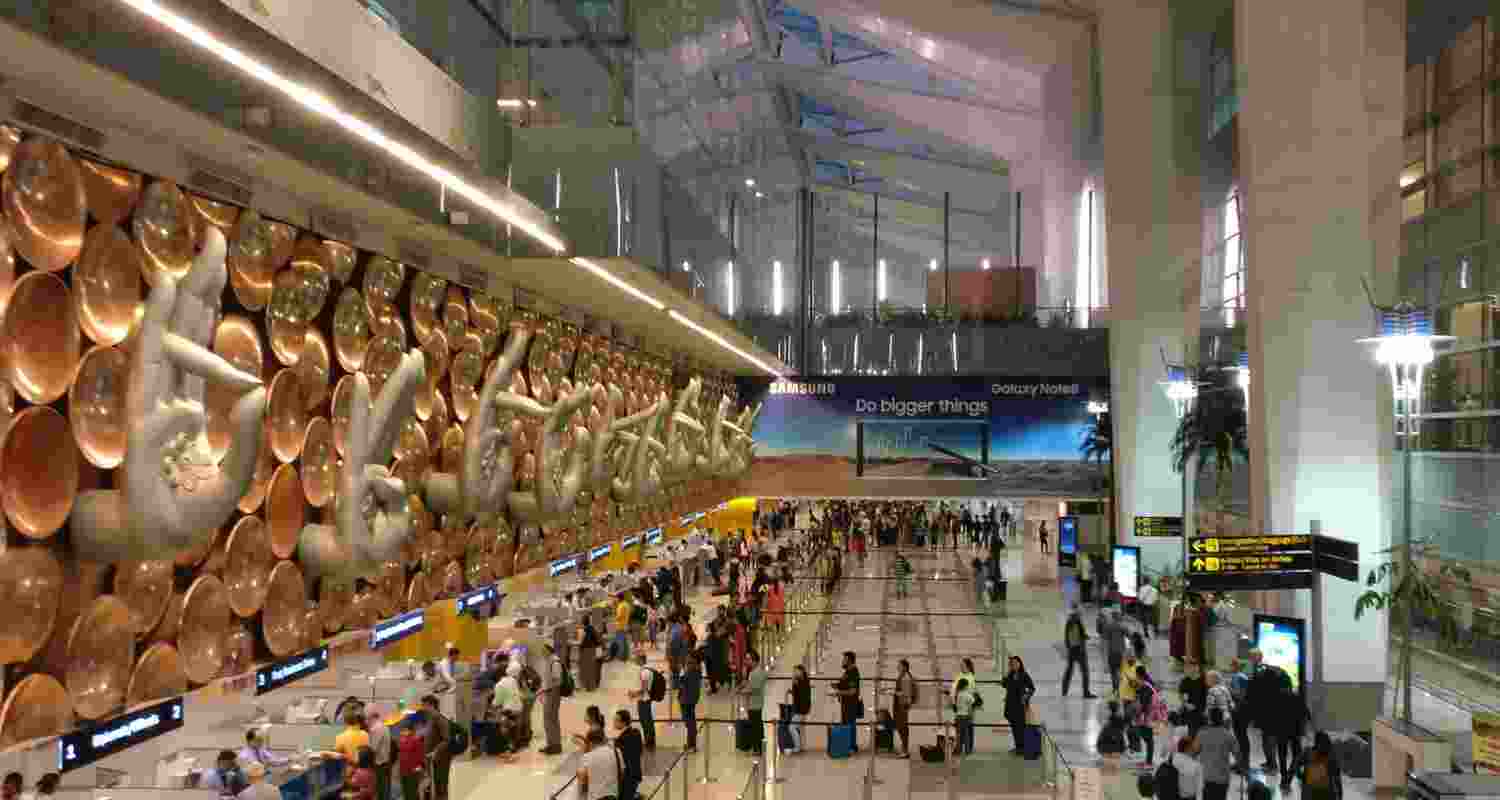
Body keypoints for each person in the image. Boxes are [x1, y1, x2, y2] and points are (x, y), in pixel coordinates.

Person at [1196, 709, 1236, 800]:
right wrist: (1243, 770)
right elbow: (1238, 754)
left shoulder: (1202, 734)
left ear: (1209, 719)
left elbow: (1193, 752)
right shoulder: (1228, 735)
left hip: (1206, 776)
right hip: (1223, 777)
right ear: (1222, 719)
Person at [1001, 656, 1036, 755]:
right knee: (1014, 727)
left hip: (1020, 705)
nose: (1014, 665)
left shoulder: (1024, 675)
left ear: (1020, 664)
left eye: (1016, 663)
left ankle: (1022, 748)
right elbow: (1003, 684)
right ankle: (1018, 747)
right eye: (1012, 664)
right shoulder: (1010, 674)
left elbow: (1032, 688)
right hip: (1010, 705)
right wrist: (1008, 672)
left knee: (1021, 727)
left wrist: (1026, 697)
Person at [1295, 731, 1343, 800]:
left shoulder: (1308, 753)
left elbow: (1296, 764)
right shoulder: (1330, 756)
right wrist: (1339, 794)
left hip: (1312, 792)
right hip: (1323, 793)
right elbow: (1337, 778)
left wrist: (1300, 775)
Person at [421, 695, 453, 800]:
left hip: (441, 759)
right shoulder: (430, 719)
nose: (422, 708)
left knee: (441, 787)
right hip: (432, 760)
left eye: (424, 705)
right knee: (434, 787)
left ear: (431, 705)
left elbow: (447, 739)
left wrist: (435, 751)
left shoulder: (440, 719)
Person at [575, 729, 620, 800]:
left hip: (596, 797)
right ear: (603, 739)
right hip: (613, 796)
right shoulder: (617, 751)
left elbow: (582, 779)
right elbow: (622, 772)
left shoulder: (587, 757)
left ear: (590, 742)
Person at [1062, 605, 1095, 698]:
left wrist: (1068, 648)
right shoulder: (1078, 622)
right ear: (1077, 614)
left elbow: (1067, 637)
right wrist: (1085, 638)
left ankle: (1064, 691)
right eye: (1080, 614)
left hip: (1072, 650)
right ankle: (1086, 692)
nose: (1081, 615)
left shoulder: (1069, 622)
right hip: (1080, 650)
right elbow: (1081, 636)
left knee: (1069, 670)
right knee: (1085, 672)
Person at [627, 653, 658, 750]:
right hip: (646, 699)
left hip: (644, 700)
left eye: (636, 658)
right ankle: (650, 741)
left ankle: (649, 742)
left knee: (646, 721)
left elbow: (644, 689)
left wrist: (633, 694)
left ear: (641, 660)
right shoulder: (648, 669)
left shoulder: (644, 672)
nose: (635, 660)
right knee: (648, 721)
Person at [741, 650, 768, 754]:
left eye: (748, 659)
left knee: (755, 727)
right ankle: (759, 746)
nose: (746, 661)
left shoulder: (755, 673)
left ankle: (757, 748)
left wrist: (742, 692)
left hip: (754, 704)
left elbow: (752, 689)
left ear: (755, 661)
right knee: (758, 725)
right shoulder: (757, 672)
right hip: (757, 703)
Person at [540, 643, 565, 755]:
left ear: (549, 650)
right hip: (549, 693)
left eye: (543, 650)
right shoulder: (548, 661)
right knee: (549, 720)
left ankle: (555, 745)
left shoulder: (554, 662)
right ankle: (551, 744)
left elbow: (557, 680)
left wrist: (550, 692)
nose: (542, 652)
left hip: (552, 694)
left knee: (550, 720)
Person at [613, 710, 644, 800]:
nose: (614, 723)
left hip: (627, 778)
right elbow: (640, 751)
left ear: (623, 722)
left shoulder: (621, 740)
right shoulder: (636, 732)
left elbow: (620, 761)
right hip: (636, 774)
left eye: (616, 720)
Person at [1132, 665, 1159, 765]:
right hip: (1145, 717)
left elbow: (1144, 704)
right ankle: (1148, 760)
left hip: (1148, 717)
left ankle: (1149, 762)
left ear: (1139, 676)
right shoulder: (1143, 685)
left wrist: (1139, 714)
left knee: (1148, 738)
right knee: (1146, 737)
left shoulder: (1146, 687)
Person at [364, 707, 393, 800]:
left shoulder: (376, 729)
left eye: (366, 718)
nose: (365, 721)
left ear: (370, 717)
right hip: (385, 762)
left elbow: (372, 749)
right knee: (384, 790)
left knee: (381, 792)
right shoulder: (384, 726)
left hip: (379, 764)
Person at [1099, 610, 1128, 694]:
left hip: (1111, 653)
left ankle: (1115, 688)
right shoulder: (1122, 626)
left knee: (1113, 672)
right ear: (1118, 617)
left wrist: (1103, 654)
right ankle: (1119, 688)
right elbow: (1131, 635)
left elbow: (1104, 641)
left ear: (1112, 617)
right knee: (1120, 671)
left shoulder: (1108, 626)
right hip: (1121, 653)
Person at [785, 664, 812, 754]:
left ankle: (797, 747)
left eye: (796, 671)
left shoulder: (800, 681)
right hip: (802, 707)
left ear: (801, 671)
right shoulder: (803, 680)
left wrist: (794, 683)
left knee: (791, 727)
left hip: (801, 708)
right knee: (798, 727)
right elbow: (799, 694)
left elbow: (801, 694)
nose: (794, 673)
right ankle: (801, 746)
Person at [892, 659, 917, 758]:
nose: (898, 667)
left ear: (905, 667)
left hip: (902, 706)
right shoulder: (904, 676)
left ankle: (905, 750)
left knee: (902, 727)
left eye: (899, 665)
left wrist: (893, 693)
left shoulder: (905, 678)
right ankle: (904, 748)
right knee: (901, 727)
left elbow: (905, 693)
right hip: (902, 705)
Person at [680, 654, 703, 752]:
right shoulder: (696, 671)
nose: (687, 663)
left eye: (689, 662)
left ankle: (691, 745)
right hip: (689, 699)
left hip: (687, 700)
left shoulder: (691, 672)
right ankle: (691, 743)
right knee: (690, 722)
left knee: (689, 723)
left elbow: (682, 682)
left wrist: (683, 674)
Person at [396, 722, 425, 800]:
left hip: (412, 771)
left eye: (404, 730)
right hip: (404, 771)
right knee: (406, 792)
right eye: (402, 730)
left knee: (413, 792)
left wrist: (419, 768)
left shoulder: (415, 740)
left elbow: (420, 755)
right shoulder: (401, 741)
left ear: (410, 730)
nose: (403, 732)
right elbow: (400, 755)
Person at [835, 651, 863, 730]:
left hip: (850, 706)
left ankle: (851, 742)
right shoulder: (847, 672)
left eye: (844, 659)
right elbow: (844, 685)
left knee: (849, 727)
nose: (842, 661)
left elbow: (852, 691)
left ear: (849, 661)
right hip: (846, 705)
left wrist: (838, 692)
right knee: (847, 726)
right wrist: (836, 686)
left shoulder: (853, 673)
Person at [953, 677, 978, 756]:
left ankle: (958, 750)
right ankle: (967, 750)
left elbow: (955, 705)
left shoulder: (957, 695)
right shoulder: (967, 695)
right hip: (965, 717)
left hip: (958, 717)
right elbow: (974, 702)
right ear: (965, 686)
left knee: (958, 735)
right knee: (966, 735)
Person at [580, 615, 602, 691]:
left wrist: (581, 646)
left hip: (587, 650)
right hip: (592, 650)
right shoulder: (592, 628)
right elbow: (596, 640)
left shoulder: (585, 629)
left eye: (582, 620)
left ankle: (588, 687)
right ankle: (592, 686)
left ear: (583, 621)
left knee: (587, 669)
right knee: (591, 668)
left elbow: (583, 641)